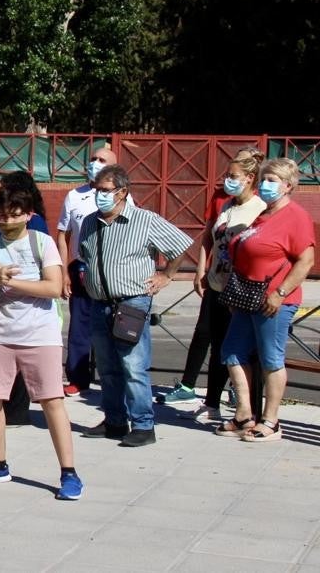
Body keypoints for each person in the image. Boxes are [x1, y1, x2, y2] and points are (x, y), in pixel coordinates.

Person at [0, 186, 84, 501]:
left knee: (51, 400)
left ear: (28, 215)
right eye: (1, 215)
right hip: (1, 334)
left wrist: (11, 281)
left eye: (13, 215)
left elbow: (54, 287)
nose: (6, 221)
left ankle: (69, 473)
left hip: (40, 335)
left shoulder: (41, 243)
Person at [78, 165, 192, 447]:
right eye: (96, 190)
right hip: (99, 303)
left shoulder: (144, 220)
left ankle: (143, 424)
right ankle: (115, 421)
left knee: (133, 366)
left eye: (105, 191)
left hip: (131, 302)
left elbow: (179, 246)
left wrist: (166, 275)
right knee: (106, 367)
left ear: (122, 192)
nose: (99, 196)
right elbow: (84, 254)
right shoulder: (90, 222)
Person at [159, 147, 264, 409]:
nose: (227, 179)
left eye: (233, 175)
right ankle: (212, 402)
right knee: (214, 340)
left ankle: (248, 406)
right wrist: (202, 270)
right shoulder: (226, 204)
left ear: (249, 177)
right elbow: (212, 237)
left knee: (239, 347)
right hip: (218, 283)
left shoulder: (260, 208)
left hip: (241, 289)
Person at [219, 158, 314, 442]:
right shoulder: (264, 214)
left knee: (271, 359)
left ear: (288, 186)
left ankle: (271, 421)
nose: (266, 185)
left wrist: (280, 292)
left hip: (275, 300)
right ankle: (244, 414)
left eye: (273, 180)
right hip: (247, 297)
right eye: (264, 179)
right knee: (232, 351)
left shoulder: (295, 216)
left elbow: (305, 260)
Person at [0, 171, 50, 425]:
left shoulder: (35, 226)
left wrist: (10, 280)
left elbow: (50, 281)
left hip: (26, 307)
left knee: (23, 364)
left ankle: (16, 411)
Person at [56, 146, 130, 396]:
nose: (95, 163)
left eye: (102, 160)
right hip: (81, 267)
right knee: (79, 325)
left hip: (113, 270)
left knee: (113, 324)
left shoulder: (123, 198)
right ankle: (77, 378)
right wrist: (65, 271)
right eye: (93, 159)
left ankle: (116, 377)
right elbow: (63, 235)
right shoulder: (74, 196)